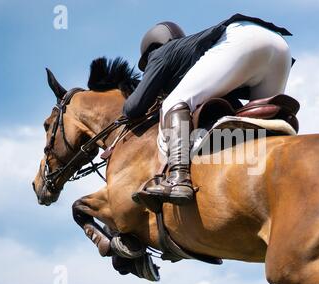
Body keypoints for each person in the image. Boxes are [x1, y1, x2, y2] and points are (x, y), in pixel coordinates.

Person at [123, 13, 293, 206]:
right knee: (262, 124)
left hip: (243, 38)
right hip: (280, 47)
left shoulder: (161, 53)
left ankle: (179, 178)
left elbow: (134, 108)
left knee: (173, 103)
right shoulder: (197, 56)